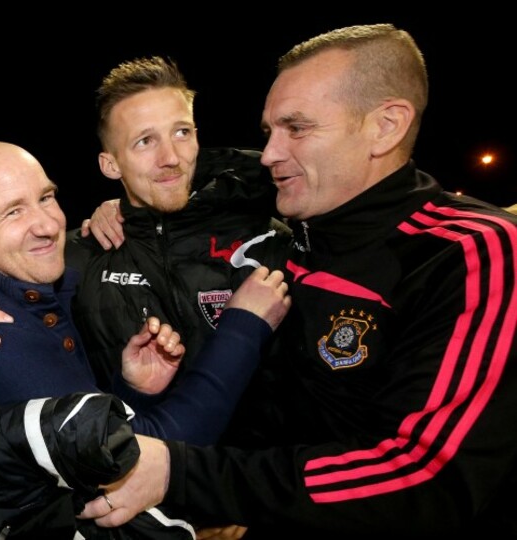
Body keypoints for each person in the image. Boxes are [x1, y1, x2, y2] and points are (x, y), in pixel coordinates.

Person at [76, 23, 517, 537]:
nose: (269, 154)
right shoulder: (297, 240)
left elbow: (427, 478)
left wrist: (190, 479)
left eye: (297, 128)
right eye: (268, 133)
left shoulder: (470, 252)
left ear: (386, 125)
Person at [0, 140, 290, 539]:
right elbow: (140, 457)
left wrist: (130, 392)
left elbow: (79, 446)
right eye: (13, 212)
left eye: (46, 197)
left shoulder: (30, 301)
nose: (47, 224)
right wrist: (244, 326)